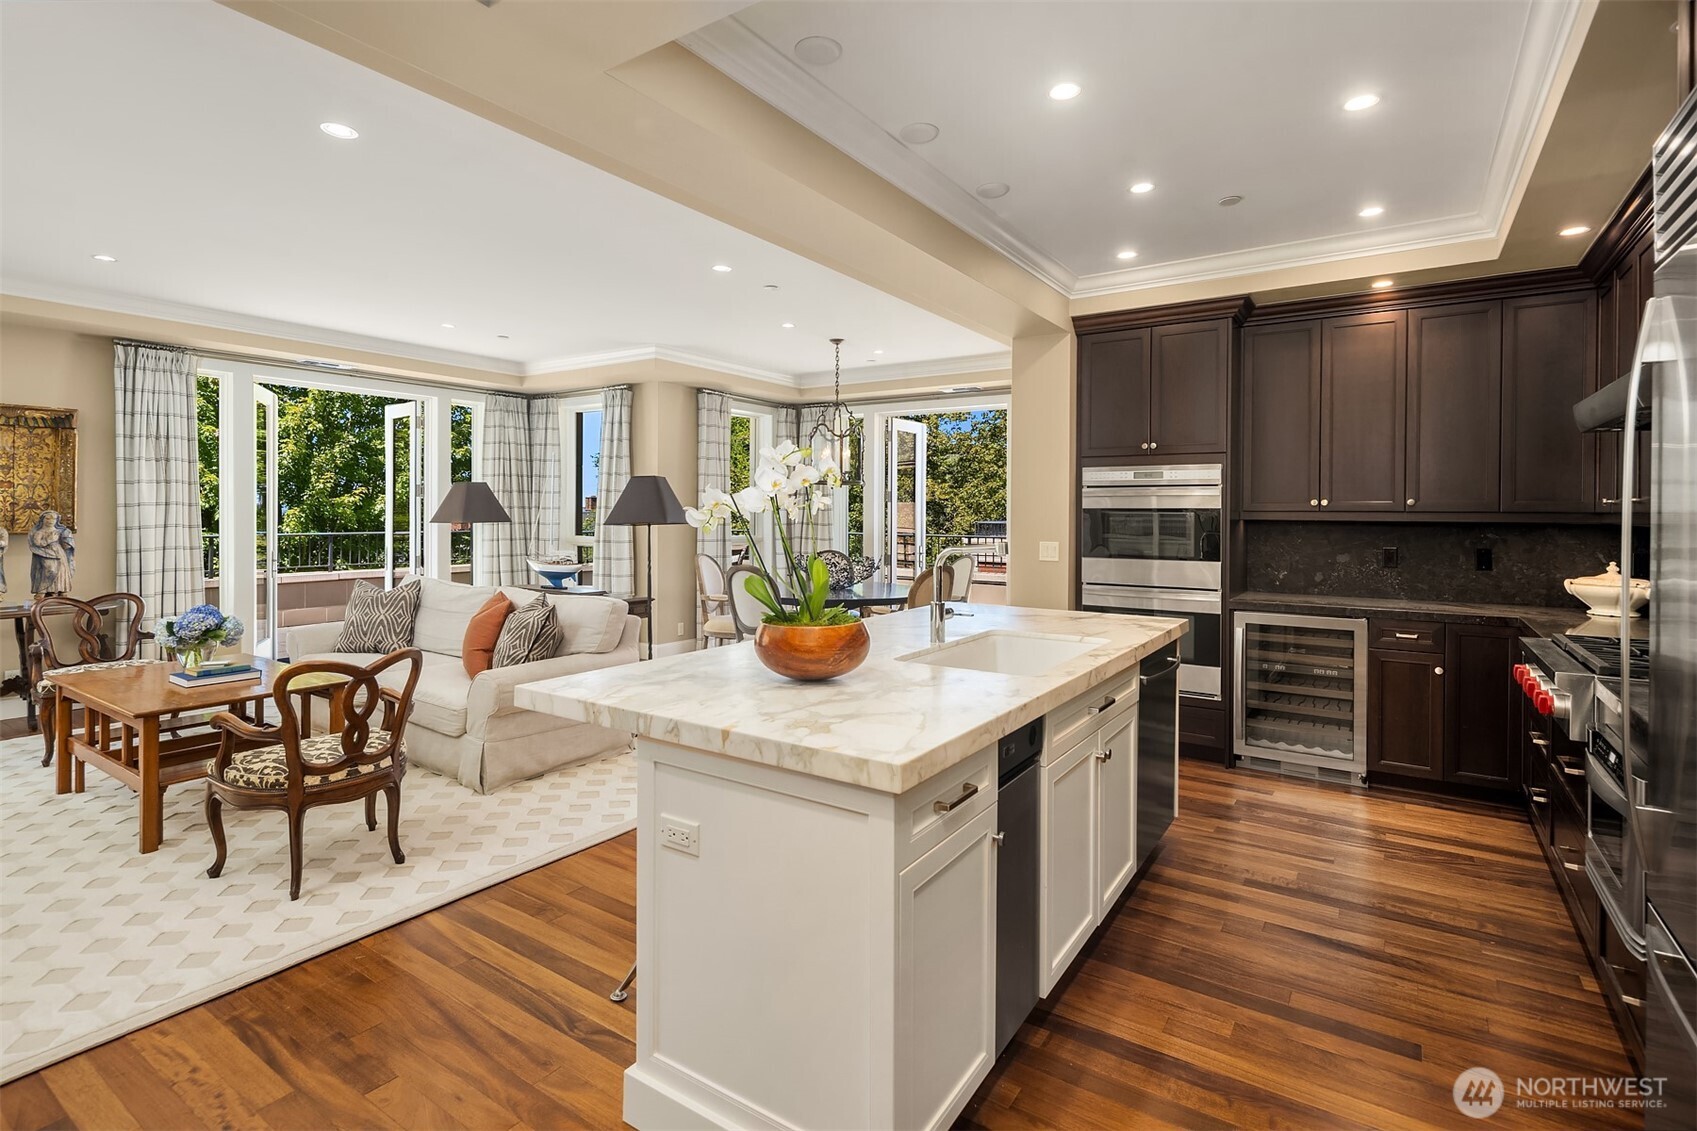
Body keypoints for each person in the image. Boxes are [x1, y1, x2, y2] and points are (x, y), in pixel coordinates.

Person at [28, 510, 74, 598]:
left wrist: (68, 540)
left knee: (62, 570)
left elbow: (66, 545)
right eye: (48, 519)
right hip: (45, 553)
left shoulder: (60, 531)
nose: (50, 521)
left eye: (53, 519)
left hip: (59, 553)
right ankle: (42, 590)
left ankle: (60, 589)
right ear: (42, 520)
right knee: (50, 569)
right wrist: (50, 539)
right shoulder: (39, 532)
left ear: (57, 520)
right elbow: (37, 544)